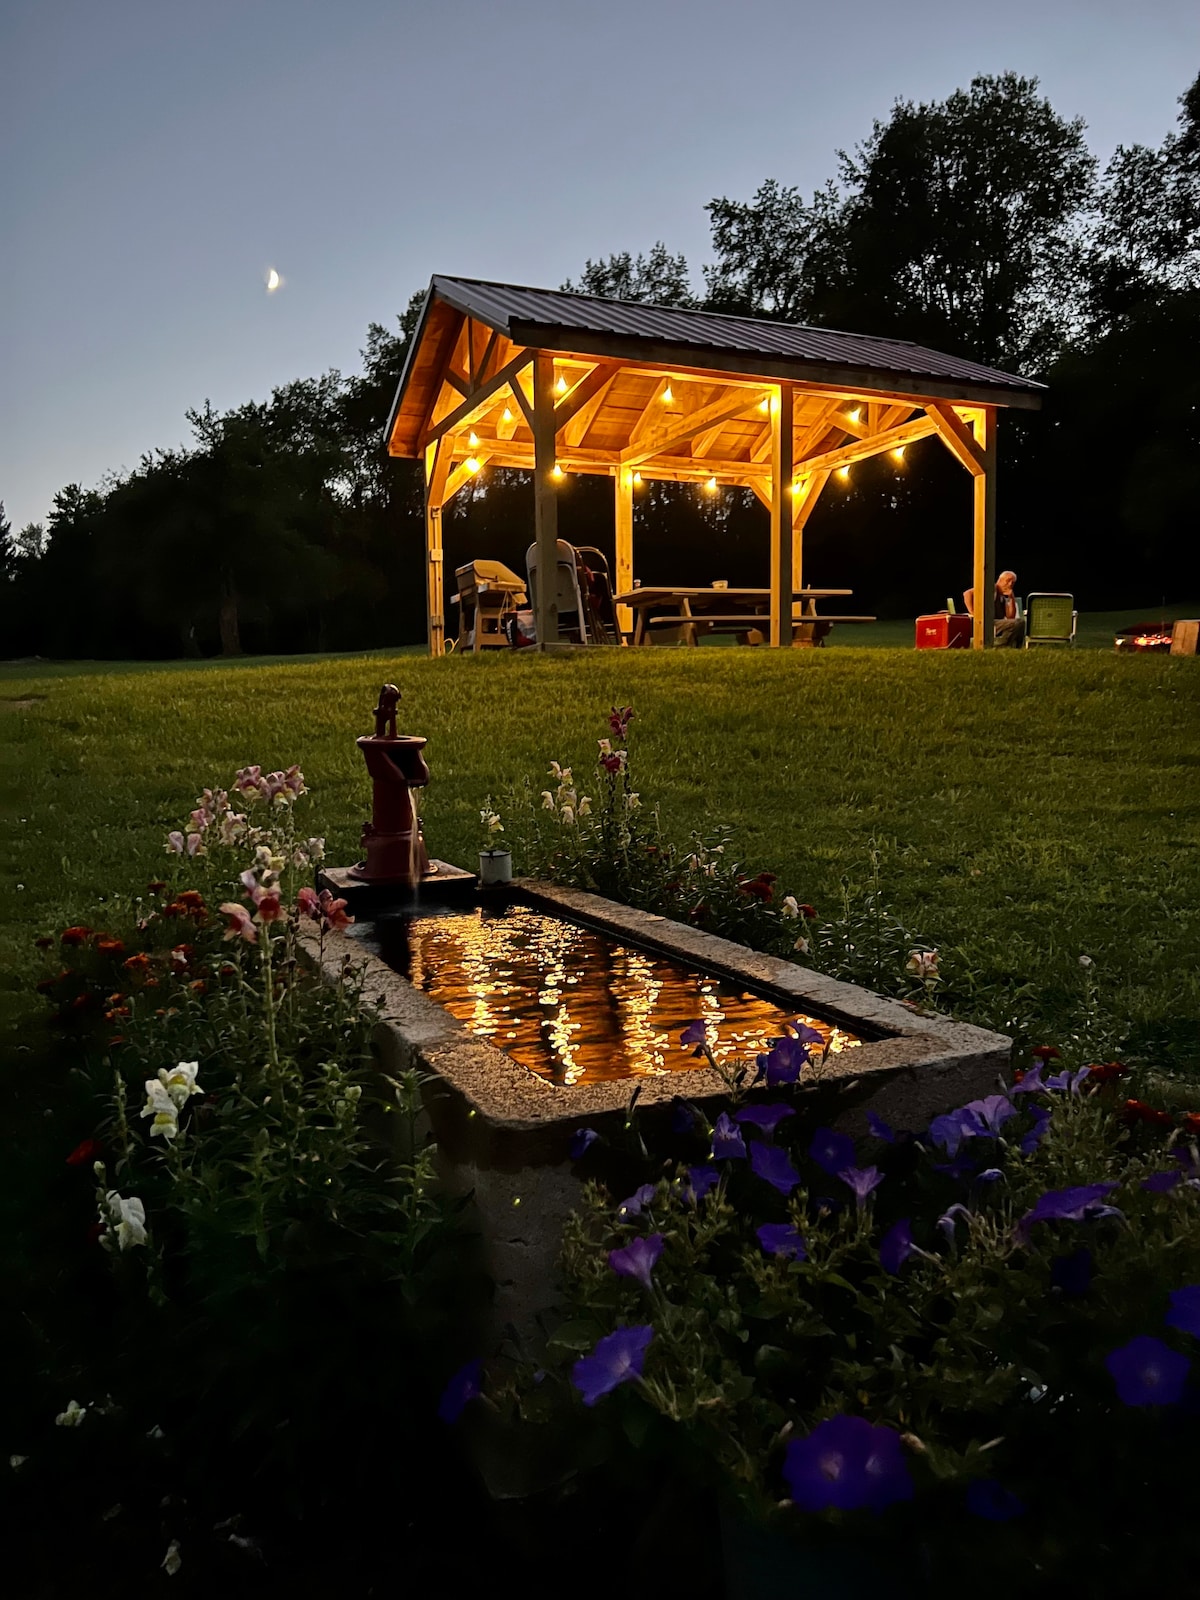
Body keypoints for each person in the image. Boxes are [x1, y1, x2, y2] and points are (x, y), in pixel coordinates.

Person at [963, 571, 1025, 648]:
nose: (1010, 584)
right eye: (1008, 581)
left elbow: (1010, 617)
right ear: (1000, 580)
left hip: (995, 623)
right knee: (1019, 622)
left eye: (1012, 583)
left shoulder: (1002, 597)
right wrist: (973, 612)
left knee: (1020, 623)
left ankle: (1014, 648)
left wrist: (1011, 597)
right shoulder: (991, 589)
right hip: (985, 624)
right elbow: (967, 593)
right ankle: (1003, 646)